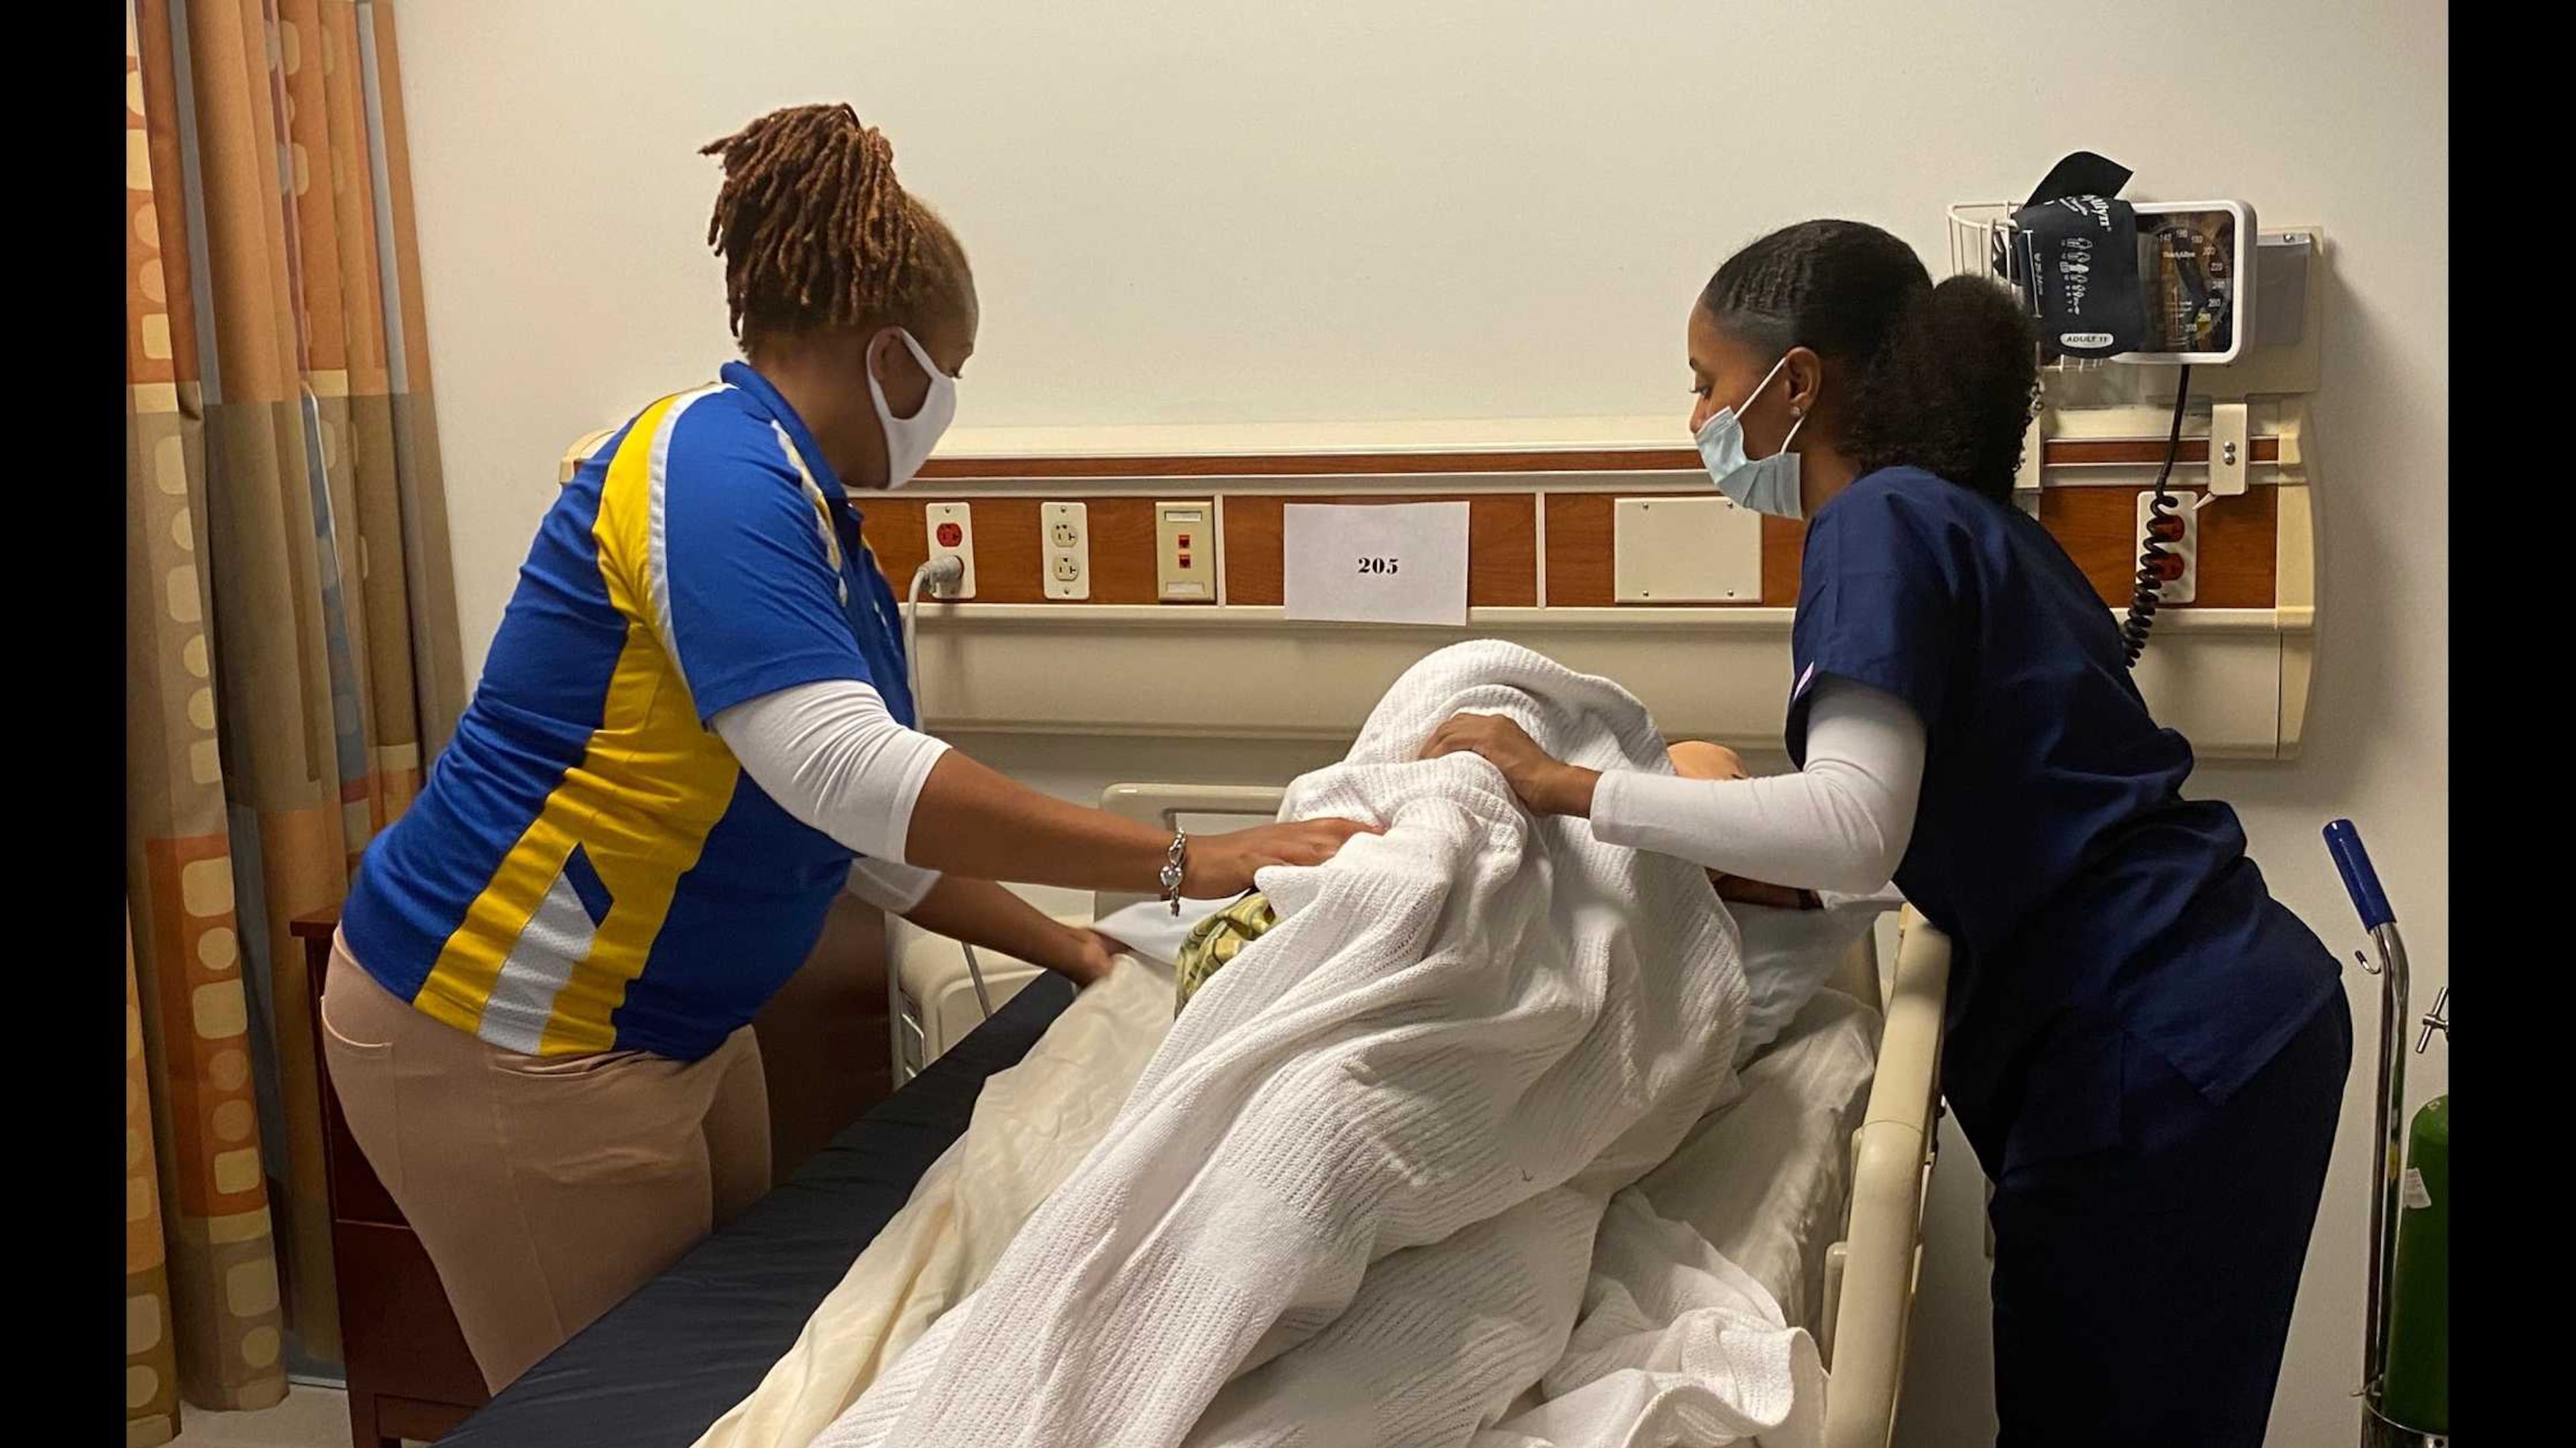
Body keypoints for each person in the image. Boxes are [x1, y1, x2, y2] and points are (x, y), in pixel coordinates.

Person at [319, 102, 1372, 1392]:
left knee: (745, 1381)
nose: (947, 408)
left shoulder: (812, 521)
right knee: (629, 1410)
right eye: (950, 371)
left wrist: (1068, 947)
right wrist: (1188, 861)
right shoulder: (709, 470)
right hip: (503, 1028)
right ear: (890, 356)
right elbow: (851, 774)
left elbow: (853, 831)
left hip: (673, 1026)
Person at [1425, 219, 2347, 1446]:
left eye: (1706, 382)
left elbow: (1855, 821)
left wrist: (1565, 787)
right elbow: (1982, 806)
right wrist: (1793, 888)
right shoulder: (1971, 524)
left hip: (2154, 1045)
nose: (1697, 418)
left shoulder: (1876, 527)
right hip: (2227, 1013)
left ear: (1795, 383)